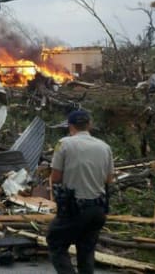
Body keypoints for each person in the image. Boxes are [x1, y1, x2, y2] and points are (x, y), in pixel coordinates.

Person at [47, 110, 114, 274]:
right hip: (97, 209)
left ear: (70, 126)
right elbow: (109, 180)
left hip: (74, 208)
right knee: (86, 251)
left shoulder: (64, 144)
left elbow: (55, 177)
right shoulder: (105, 147)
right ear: (89, 125)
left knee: (56, 242)